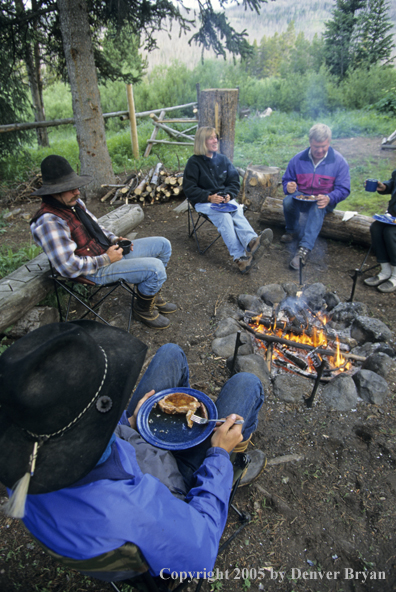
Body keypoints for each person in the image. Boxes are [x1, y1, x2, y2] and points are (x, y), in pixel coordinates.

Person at [0, 321, 266, 579]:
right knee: (247, 383)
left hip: (130, 445)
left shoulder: (23, 465)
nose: (111, 395)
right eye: (103, 399)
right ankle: (234, 457)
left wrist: (122, 425)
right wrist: (219, 455)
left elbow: (67, 430)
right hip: (174, 488)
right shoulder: (132, 510)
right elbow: (203, 553)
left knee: (170, 353)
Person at [30, 155, 176, 330]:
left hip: (105, 252)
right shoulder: (49, 222)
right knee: (156, 269)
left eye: (76, 186)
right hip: (92, 269)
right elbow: (68, 267)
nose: (77, 191)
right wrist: (107, 259)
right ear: (54, 191)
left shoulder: (73, 203)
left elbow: (97, 228)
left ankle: (151, 295)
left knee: (163, 244)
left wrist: (114, 239)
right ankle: (142, 310)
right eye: (70, 188)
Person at [183, 127, 273, 274]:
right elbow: (189, 188)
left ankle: (252, 241)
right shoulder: (194, 163)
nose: (215, 140)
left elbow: (234, 182)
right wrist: (209, 197)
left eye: (215, 137)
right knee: (225, 217)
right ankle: (240, 259)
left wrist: (229, 195)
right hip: (204, 202)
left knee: (236, 209)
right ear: (202, 142)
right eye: (210, 138)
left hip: (223, 200)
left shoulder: (223, 160)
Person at [281, 123, 350, 270]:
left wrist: (329, 197)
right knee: (288, 201)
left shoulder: (338, 161)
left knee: (318, 205)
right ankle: (292, 230)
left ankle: (303, 249)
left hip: (326, 199)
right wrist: (288, 186)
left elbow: (344, 189)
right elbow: (287, 179)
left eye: (323, 146)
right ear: (310, 142)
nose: (319, 150)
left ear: (329, 142)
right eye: (316, 146)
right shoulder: (298, 159)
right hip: (302, 197)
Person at [364, 172, 396, 293]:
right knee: (376, 228)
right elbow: (394, 182)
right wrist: (385, 187)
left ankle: (395, 276)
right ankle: (385, 271)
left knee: (390, 232)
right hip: (394, 215)